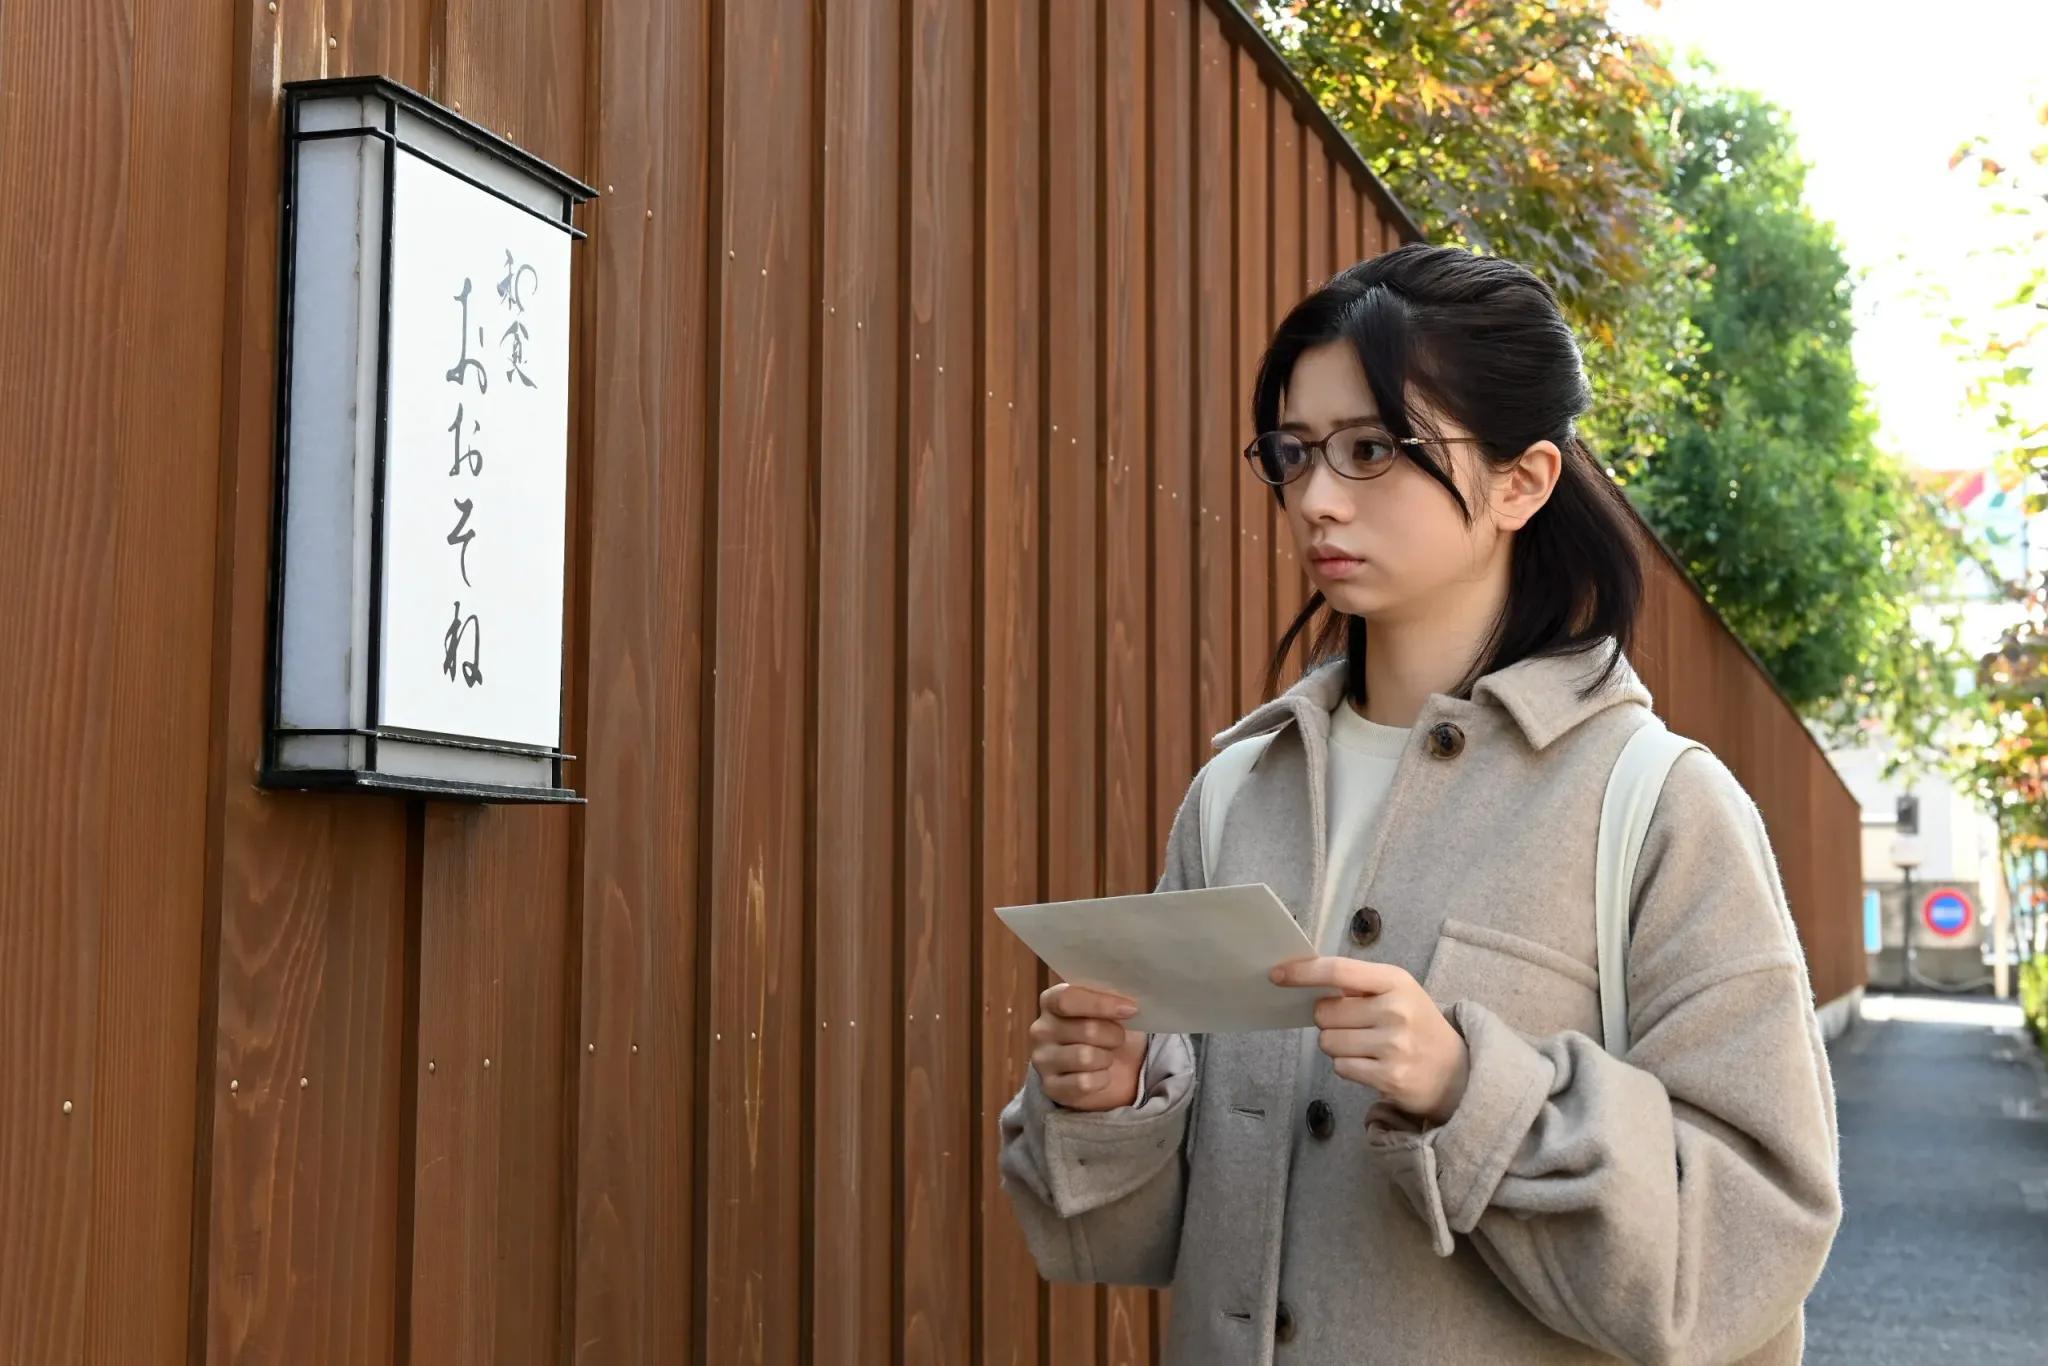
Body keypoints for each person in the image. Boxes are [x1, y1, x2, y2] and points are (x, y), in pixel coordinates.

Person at [996, 244, 1842, 1364]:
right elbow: (1133, 1240)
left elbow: (1758, 1237)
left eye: (1371, 450)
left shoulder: (1655, 805)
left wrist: (1465, 1087)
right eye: (1292, 454)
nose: (1316, 498)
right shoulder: (1236, 793)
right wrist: (1112, 1102)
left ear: (1521, 481)